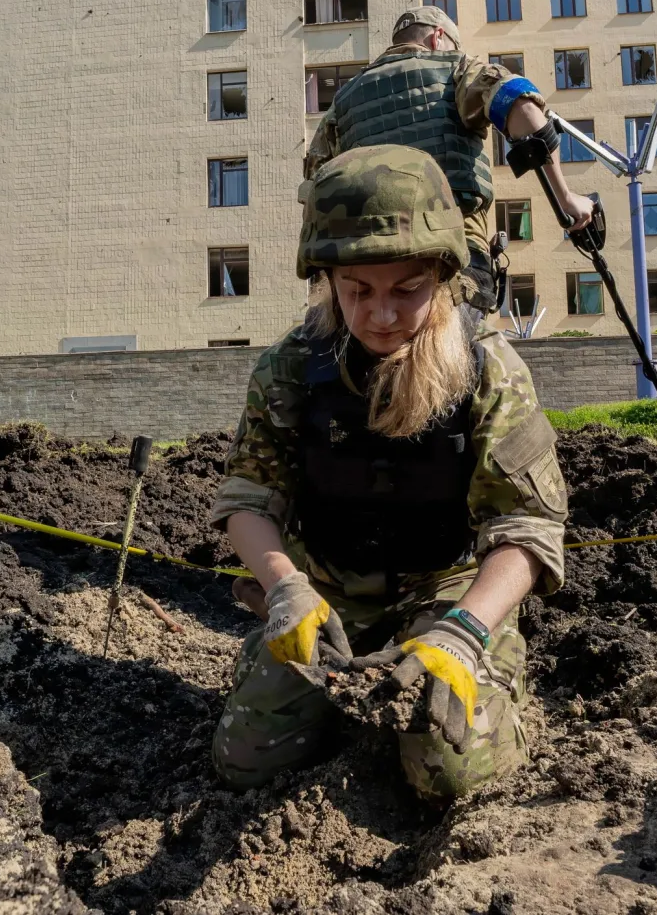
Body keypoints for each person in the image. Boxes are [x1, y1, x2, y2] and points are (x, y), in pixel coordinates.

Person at [209, 145, 568, 800]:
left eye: (407, 290)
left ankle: (499, 675)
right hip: (326, 589)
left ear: (443, 274)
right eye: (358, 291)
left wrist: (468, 627)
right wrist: (284, 587)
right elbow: (249, 497)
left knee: (445, 769)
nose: (380, 314)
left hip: (446, 588)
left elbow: (528, 525)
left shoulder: (489, 368)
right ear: (328, 281)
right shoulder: (293, 365)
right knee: (246, 760)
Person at [304, 5, 593, 317]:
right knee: (459, 362)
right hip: (452, 257)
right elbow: (522, 106)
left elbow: (315, 188)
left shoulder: (344, 99)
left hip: (366, 269)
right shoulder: (458, 69)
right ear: (437, 38)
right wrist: (566, 199)